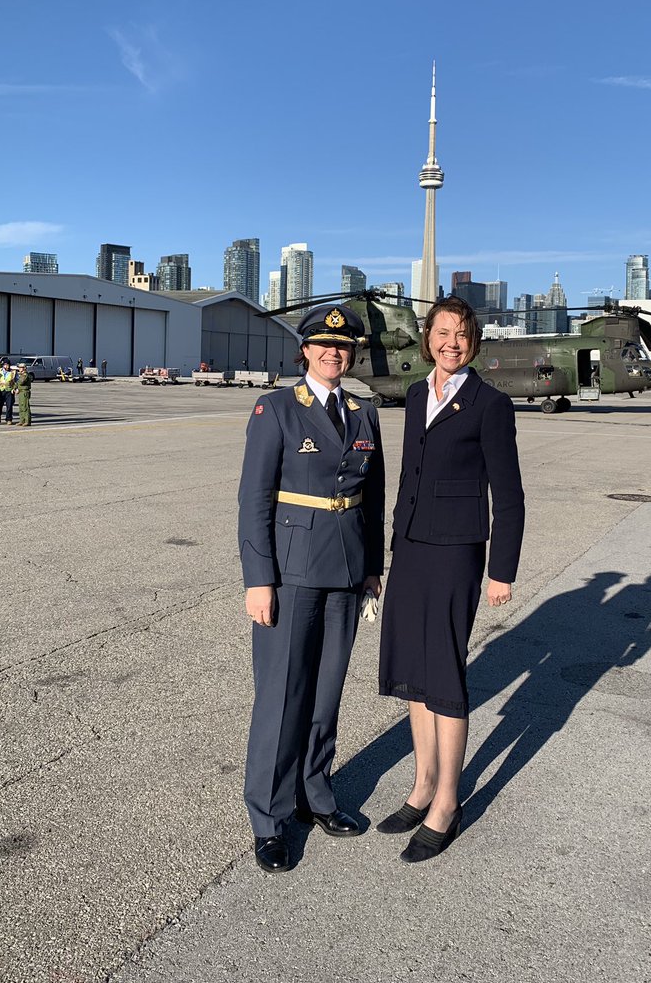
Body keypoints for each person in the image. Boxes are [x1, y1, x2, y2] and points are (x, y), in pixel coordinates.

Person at [238, 303, 385, 874]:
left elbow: (372, 500)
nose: (334, 353)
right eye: (324, 346)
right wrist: (259, 579)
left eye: (344, 347)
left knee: (326, 692)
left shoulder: (364, 412)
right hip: (292, 571)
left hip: (347, 571)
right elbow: (254, 500)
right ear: (305, 350)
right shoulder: (276, 409)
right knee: (281, 697)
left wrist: (373, 566)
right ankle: (270, 818)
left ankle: (314, 792)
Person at [377, 295, 524, 862]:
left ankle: (447, 802)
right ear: (428, 338)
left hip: (456, 551)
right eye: (442, 333)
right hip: (412, 548)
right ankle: (420, 786)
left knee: (443, 674)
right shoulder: (417, 396)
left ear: (474, 341)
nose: (451, 343)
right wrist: (392, 549)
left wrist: (500, 571)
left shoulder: (490, 405)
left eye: (461, 334)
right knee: (413, 674)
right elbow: (411, 476)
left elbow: (508, 497)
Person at [0, 358, 17, 424]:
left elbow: (16, 382)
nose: (6, 366)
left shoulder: (13, 372)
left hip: (9, 391)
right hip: (0, 391)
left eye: (7, 365)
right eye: (5, 365)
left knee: (9, 406)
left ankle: (8, 419)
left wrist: (14, 389)